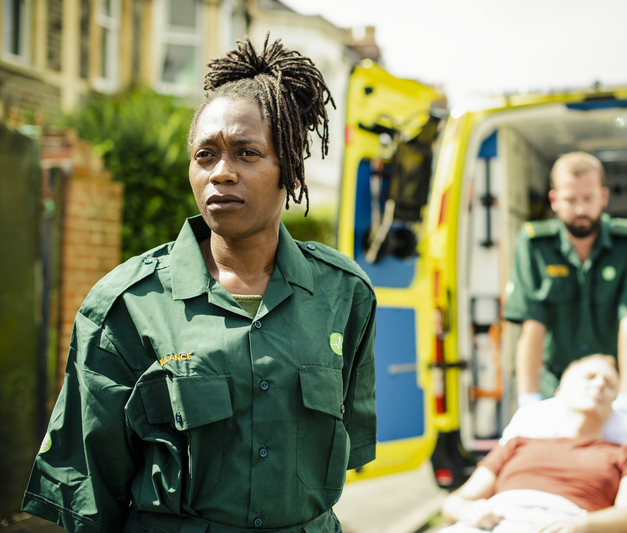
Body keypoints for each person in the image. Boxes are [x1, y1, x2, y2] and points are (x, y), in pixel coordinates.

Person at [22, 35, 377, 533]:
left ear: (289, 166)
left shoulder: (346, 294)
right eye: (205, 155)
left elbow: (344, 452)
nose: (221, 174)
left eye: (247, 154)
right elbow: (87, 489)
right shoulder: (127, 304)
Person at [504, 152, 627, 417]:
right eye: (570, 199)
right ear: (554, 200)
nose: (580, 210)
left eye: (588, 198)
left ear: (604, 197)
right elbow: (532, 326)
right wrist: (528, 401)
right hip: (553, 388)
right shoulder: (534, 244)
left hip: (608, 388)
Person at [440, 354, 627, 533]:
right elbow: (455, 501)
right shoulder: (517, 445)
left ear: (614, 403)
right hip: (497, 521)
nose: (599, 384)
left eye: (609, 384)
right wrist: (467, 511)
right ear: (560, 391)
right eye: (589, 377)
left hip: (570, 523)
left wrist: (580, 525)